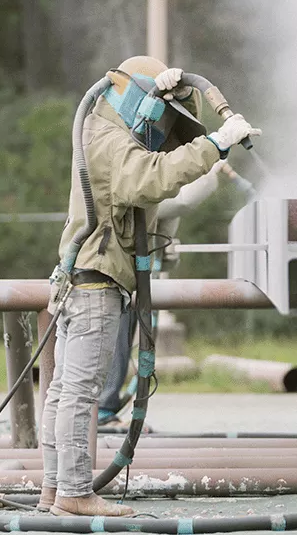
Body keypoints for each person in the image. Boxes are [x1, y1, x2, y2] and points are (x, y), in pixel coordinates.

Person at [38, 56, 261, 517]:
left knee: (62, 392)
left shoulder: (101, 131)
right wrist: (217, 143)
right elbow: (151, 179)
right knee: (78, 395)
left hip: (81, 282)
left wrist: (181, 99)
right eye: (157, 111)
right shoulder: (114, 144)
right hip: (96, 286)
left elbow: (165, 160)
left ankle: (54, 490)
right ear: (139, 101)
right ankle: (75, 494)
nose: (160, 125)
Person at [97, 162, 226, 427]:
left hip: (125, 273)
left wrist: (164, 257)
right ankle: (98, 412)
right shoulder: (130, 165)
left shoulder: (147, 166)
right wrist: (211, 169)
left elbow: (165, 208)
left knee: (119, 340)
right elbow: (181, 201)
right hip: (107, 272)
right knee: (110, 339)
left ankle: (103, 410)